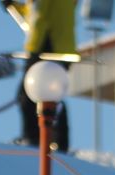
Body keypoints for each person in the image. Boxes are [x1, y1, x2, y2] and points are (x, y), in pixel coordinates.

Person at [7, 0, 76, 152]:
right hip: (61, 48)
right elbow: (34, 14)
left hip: (47, 47)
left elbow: (39, 17)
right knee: (53, 96)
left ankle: (33, 139)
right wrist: (13, 6)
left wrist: (34, 50)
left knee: (29, 96)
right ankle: (58, 142)